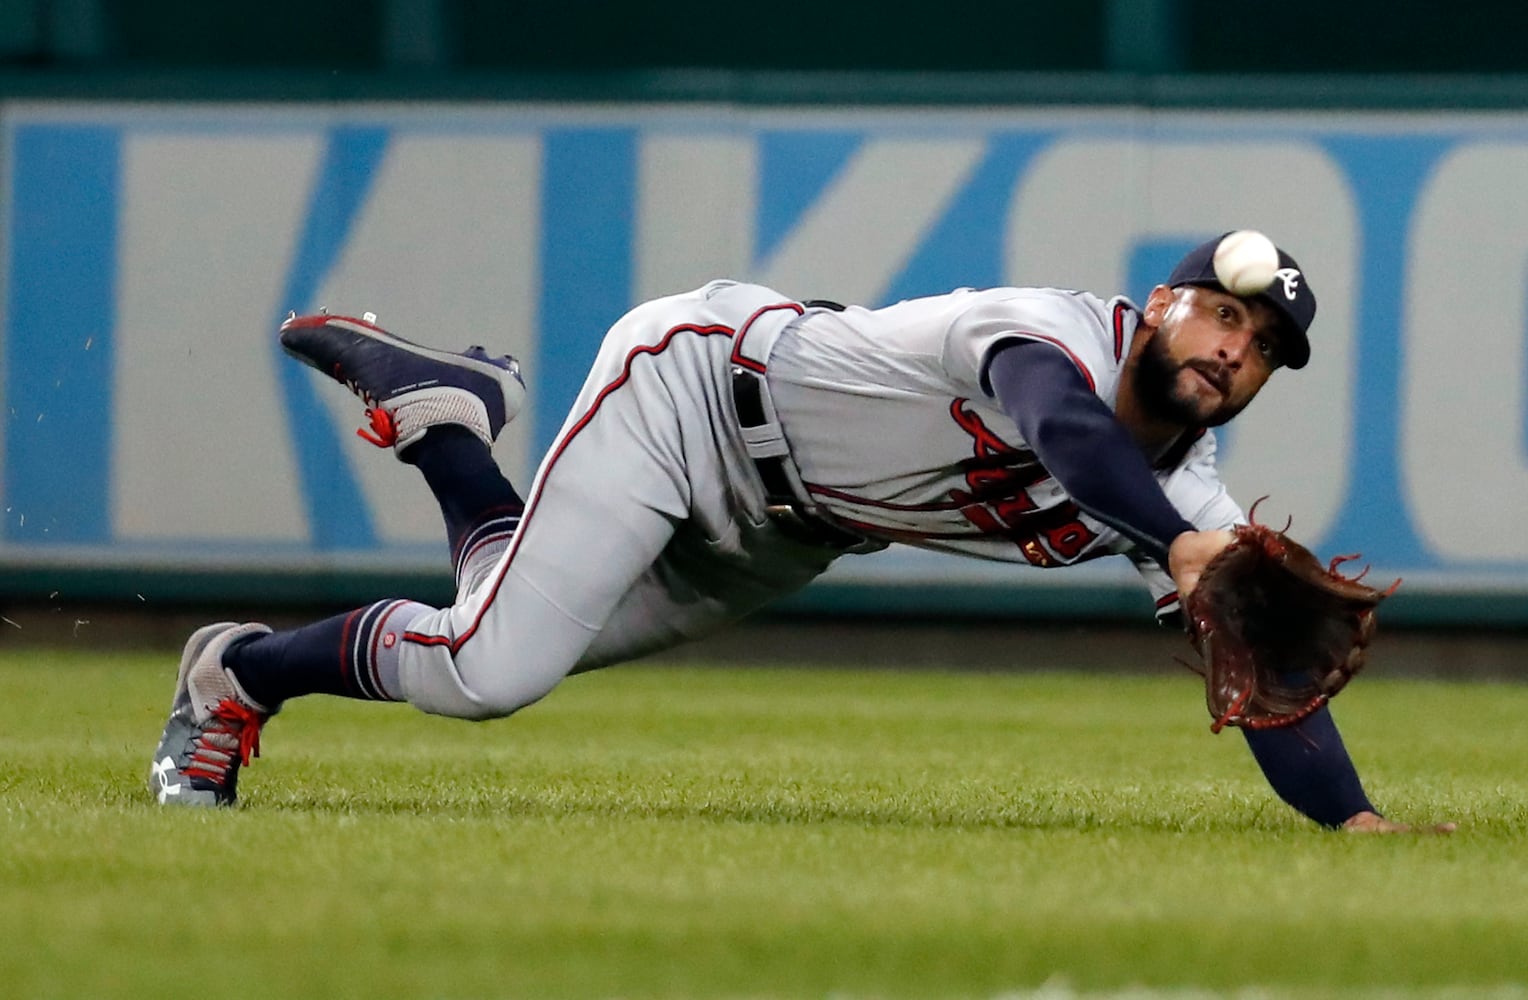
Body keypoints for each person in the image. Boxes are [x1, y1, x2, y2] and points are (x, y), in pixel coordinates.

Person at [147, 232, 1435, 832]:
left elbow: (1270, 680)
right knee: (492, 669)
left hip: (787, 530)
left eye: (1263, 348)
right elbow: (1065, 433)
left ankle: (445, 422)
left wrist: (1357, 829)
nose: (1233, 347)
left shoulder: (1189, 505)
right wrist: (1183, 542)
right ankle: (236, 676)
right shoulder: (1044, 332)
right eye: (1222, 313)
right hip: (693, 392)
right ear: (1162, 304)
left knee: (497, 615)